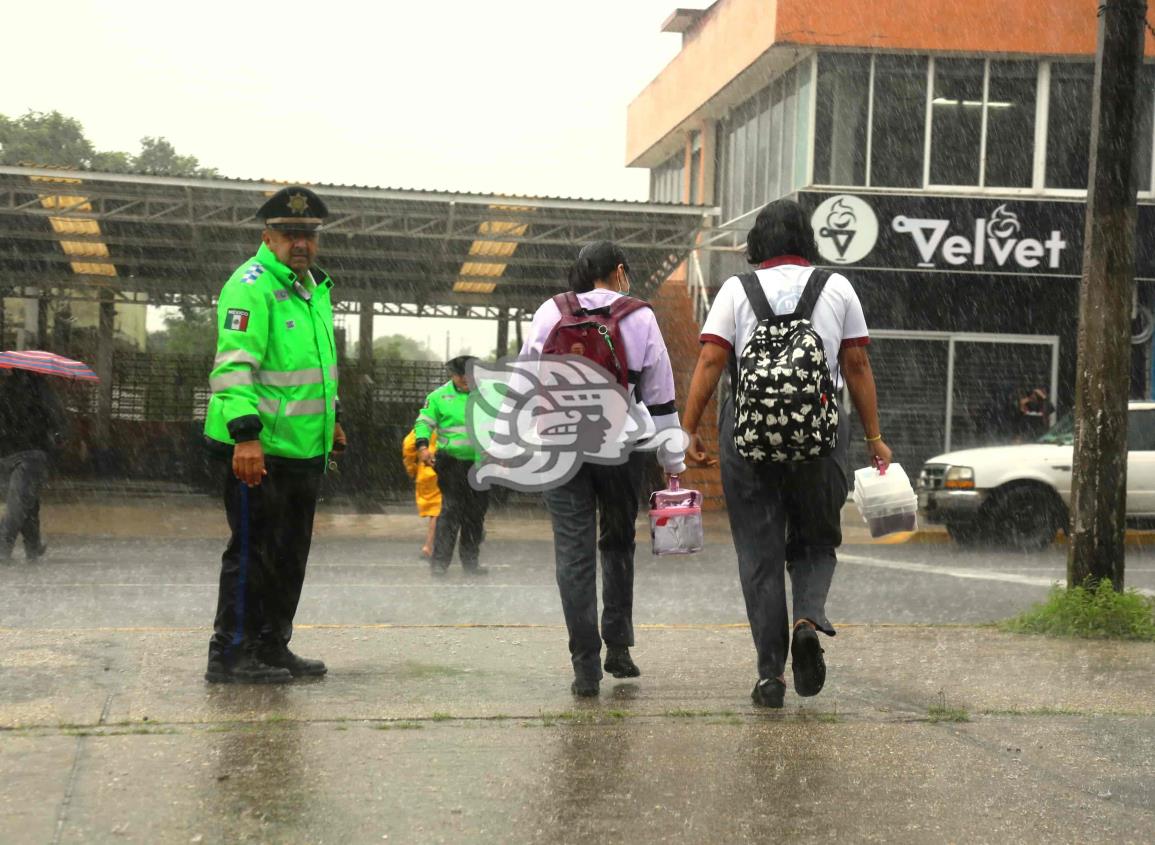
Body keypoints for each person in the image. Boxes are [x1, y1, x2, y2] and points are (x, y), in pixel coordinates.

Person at [681, 199, 891, 709]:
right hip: (819, 437)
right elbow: (857, 365)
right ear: (806, 238)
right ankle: (807, 618)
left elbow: (711, 359)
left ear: (759, 241)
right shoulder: (836, 286)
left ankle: (769, 674)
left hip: (748, 437)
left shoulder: (736, 289)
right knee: (816, 540)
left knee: (759, 554)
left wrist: (688, 427)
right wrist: (873, 437)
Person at [520, 240, 686, 698]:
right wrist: (673, 462)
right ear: (618, 271)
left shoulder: (550, 312)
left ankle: (585, 666)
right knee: (617, 544)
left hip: (562, 447)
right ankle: (618, 646)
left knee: (572, 556)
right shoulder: (640, 316)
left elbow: (523, 384)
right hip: (621, 448)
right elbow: (662, 398)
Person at [203, 186, 346, 684]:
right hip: (258, 450)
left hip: (306, 448)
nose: (300, 243)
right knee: (252, 554)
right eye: (289, 234)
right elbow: (234, 367)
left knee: (288, 555)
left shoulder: (314, 290)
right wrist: (245, 436)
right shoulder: (251, 285)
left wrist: (333, 421)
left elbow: (315, 368)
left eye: (308, 234)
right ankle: (229, 655)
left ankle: (271, 645)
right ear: (268, 236)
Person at [414, 356, 489, 576]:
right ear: (452, 374)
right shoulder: (438, 397)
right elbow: (424, 422)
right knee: (450, 512)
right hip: (451, 464)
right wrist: (422, 446)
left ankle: (471, 563)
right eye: (461, 375)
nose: (466, 379)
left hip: (480, 466)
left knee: (475, 515)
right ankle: (439, 563)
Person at [0, 370, 67, 561]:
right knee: (20, 502)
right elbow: (59, 423)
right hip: (32, 454)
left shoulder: (4, 390)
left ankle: (33, 544)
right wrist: (57, 438)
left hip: (5, 454)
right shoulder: (43, 392)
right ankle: (3, 545)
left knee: (26, 499)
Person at [402, 428, 441, 558]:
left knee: (436, 511)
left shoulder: (423, 427)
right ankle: (429, 546)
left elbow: (408, 446)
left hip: (426, 471)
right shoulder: (451, 422)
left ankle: (430, 546)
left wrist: (412, 469)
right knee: (439, 511)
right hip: (446, 469)